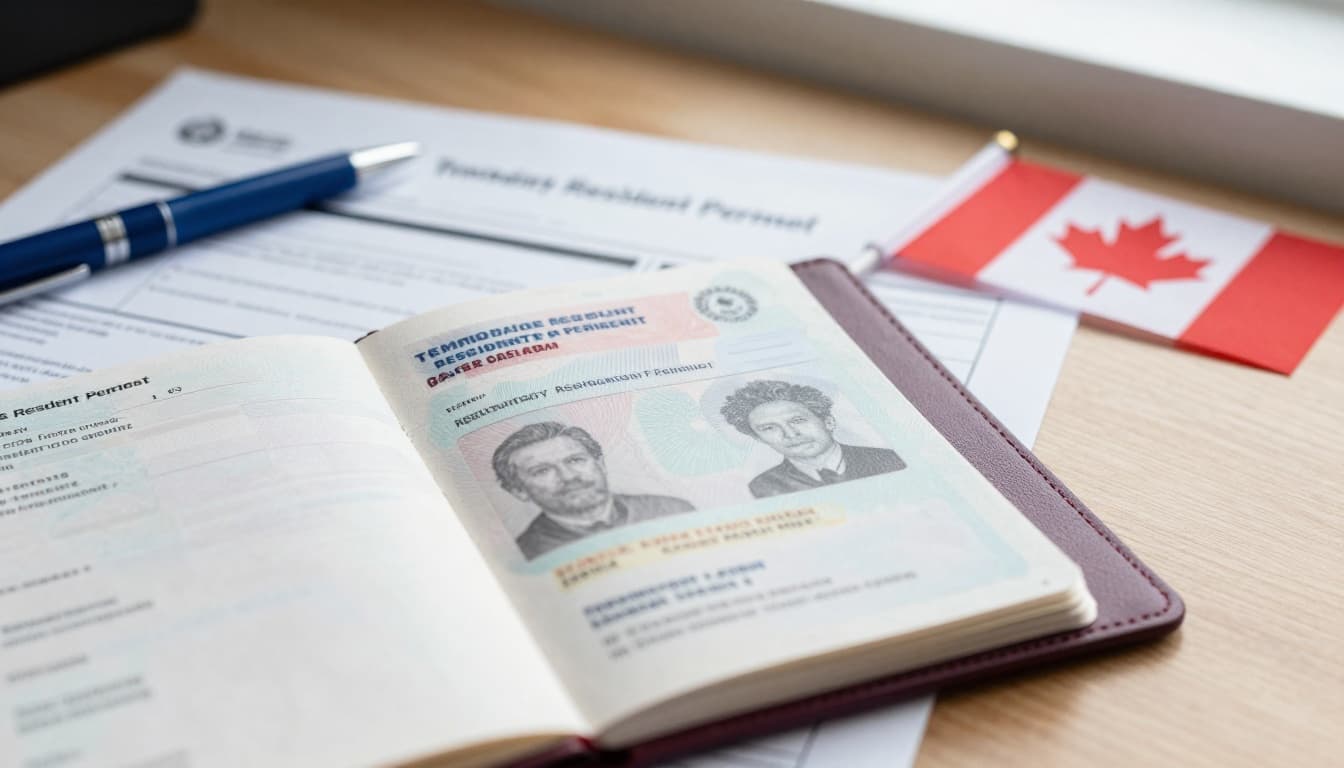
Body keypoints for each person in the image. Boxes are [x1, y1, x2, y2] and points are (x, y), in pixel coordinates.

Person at [492, 421, 695, 560]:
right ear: (518, 490)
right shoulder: (527, 553)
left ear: (600, 463)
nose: (569, 476)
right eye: (542, 470)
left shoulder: (673, 510)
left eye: (575, 460)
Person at [720, 380, 905, 499]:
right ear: (759, 439)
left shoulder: (890, 460)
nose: (790, 434)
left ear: (829, 421)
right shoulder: (764, 487)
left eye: (798, 420)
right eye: (769, 428)